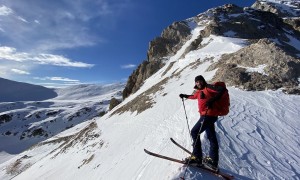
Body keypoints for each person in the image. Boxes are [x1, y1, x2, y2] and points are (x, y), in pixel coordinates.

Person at [179, 75, 225, 170]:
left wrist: (212, 100)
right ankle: (213, 161)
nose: (198, 83)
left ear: (203, 81)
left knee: (194, 132)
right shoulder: (199, 91)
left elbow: (221, 90)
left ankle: (197, 158)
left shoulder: (208, 87)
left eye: (200, 81)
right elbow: (194, 96)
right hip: (207, 116)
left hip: (208, 115)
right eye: (197, 82)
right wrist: (185, 96)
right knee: (211, 136)